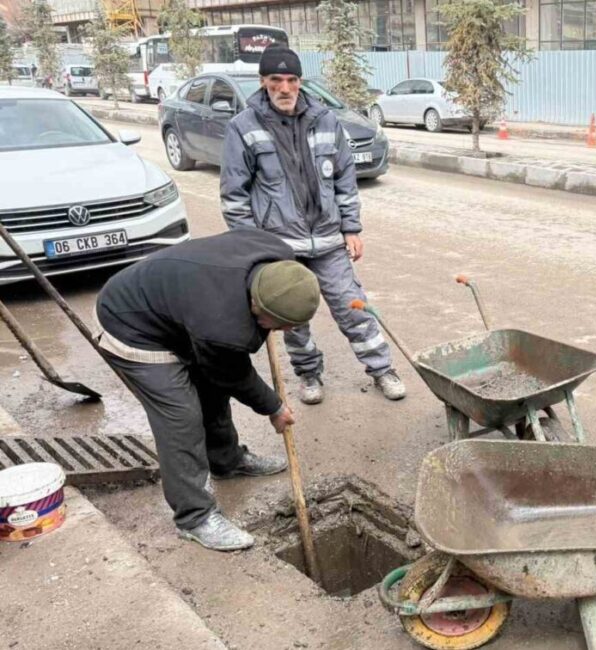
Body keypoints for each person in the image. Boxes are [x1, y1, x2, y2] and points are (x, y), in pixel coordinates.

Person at [93, 230, 321, 551]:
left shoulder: (279, 257)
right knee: (181, 415)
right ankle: (195, 517)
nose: (288, 331)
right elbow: (235, 373)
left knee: (212, 388)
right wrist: (274, 407)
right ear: (255, 303)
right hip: (131, 324)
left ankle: (226, 461)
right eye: (281, 324)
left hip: (179, 306)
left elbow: (224, 371)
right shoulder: (222, 325)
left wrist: (275, 318)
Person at [219, 44, 405, 405]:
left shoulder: (325, 120)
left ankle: (382, 369)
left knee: (353, 306)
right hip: (279, 246)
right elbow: (234, 196)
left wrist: (351, 227)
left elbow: (344, 179)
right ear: (263, 82)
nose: (285, 88)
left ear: (300, 82)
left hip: (328, 240)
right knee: (292, 316)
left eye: (292, 80)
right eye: (276, 80)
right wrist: (251, 247)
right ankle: (308, 375)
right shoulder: (243, 128)